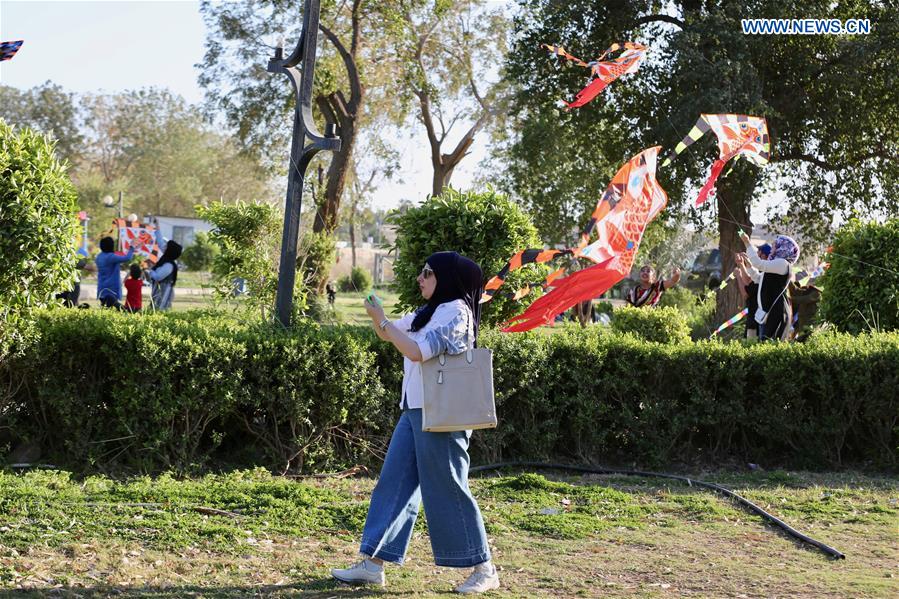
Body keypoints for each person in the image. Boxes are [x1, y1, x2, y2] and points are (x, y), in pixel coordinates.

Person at [331, 251, 499, 595]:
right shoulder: (431, 311)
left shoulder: (456, 312)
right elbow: (391, 334)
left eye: (428, 272)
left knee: (449, 487)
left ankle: (484, 568)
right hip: (415, 409)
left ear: (447, 278)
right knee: (394, 483)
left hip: (442, 415)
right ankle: (373, 563)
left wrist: (383, 321)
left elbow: (417, 351)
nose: (420, 278)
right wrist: (378, 317)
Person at [739, 231, 800, 341]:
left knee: (769, 345)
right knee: (764, 344)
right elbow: (758, 279)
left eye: (775, 245)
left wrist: (747, 243)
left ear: (783, 248)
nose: (772, 248)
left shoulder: (783, 264)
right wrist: (748, 266)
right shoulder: (777, 264)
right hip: (769, 313)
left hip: (776, 313)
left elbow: (759, 264)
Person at [734, 243, 771, 339]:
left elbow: (745, 293)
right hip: (759, 318)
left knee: (751, 345)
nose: (756, 254)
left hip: (756, 320)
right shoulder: (765, 272)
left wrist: (738, 275)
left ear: (763, 255)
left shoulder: (764, 274)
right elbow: (749, 280)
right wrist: (742, 264)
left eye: (758, 252)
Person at [95, 236, 136, 309]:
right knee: (114, 308)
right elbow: (127, 258)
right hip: (111, 288)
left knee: (104, 308)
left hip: (101, 286)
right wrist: (132, 247)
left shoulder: (99, 257)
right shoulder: (111, 257)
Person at [148, 240, 182, 310]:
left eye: (166, 246)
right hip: (158, 295)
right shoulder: (165, 261)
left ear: (170, 250)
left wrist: (151, 270)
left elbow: (158, 277)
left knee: (159, 310)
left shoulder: (169, 265)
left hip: (162, 296)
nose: (164, 247)